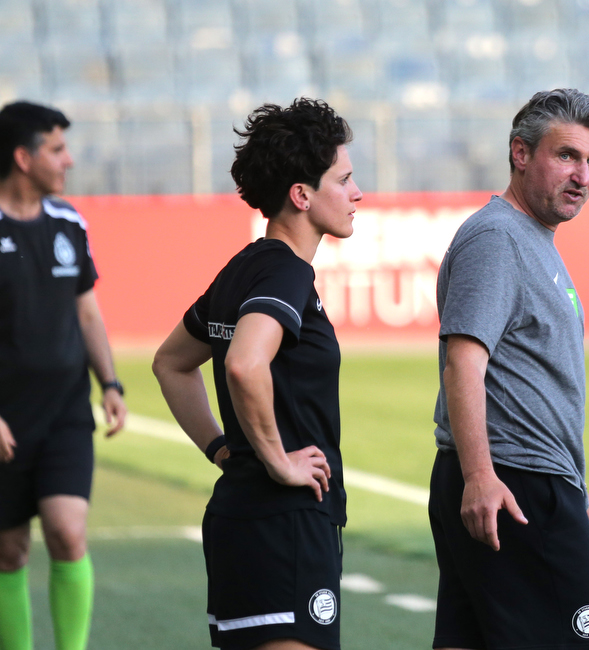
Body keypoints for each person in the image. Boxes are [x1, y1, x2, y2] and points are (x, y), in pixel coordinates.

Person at [152, 97, 361, 650]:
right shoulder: (286, 273)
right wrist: (276, 461)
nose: (357, 193)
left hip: (241, 518)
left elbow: (170, 364)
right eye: (344, 179)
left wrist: (226, 450)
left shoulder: (245, 265)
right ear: (302, 195)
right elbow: (246, 364)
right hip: (284, 523)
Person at [427, 88, 589, 650]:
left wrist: (574, 487)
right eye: (567, 156)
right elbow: (464, 360)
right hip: (513, 487)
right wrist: (482, 475)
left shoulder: (532, 238)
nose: (582, 175)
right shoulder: (497, 238)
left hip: (530, 480)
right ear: (520, 153)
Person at [0, 101, 127, 650]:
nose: (68, 161)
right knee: (8, 552)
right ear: (23, 158)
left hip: (65, 413)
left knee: (68, 534)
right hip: (6, 418)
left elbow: (87, 312)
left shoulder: (69, 223)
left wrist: (111, 384)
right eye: (57, 149)